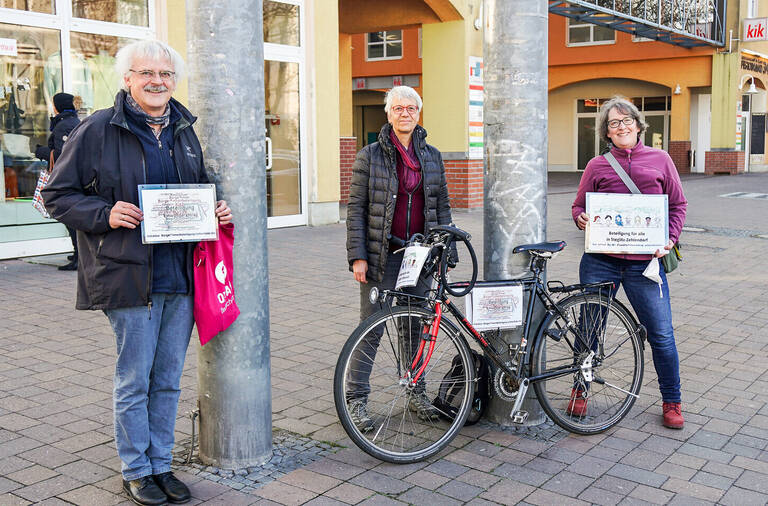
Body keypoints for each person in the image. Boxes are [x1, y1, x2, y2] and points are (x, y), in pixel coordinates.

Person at [42, 40, 232, 505]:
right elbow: (55, 195)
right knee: (134, 378)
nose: (157, 81)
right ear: (126, 78)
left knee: (167, 379)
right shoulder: (97, 130)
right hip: (128, 277)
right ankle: (136, 470)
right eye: (146, 73)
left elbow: (200, 187)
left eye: (165, 74)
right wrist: (105, 213)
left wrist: (217, 207)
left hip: (182, 276)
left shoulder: (184, 131)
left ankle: (162, 466)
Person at [572, 96, 687, 429]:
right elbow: (579, 207)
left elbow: (678, 206)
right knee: (589, 330)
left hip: (645, 264)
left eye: (626, 121)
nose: (621, 127)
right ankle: (581, 390)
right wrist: (581, 219)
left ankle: (672, 401)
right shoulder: (597, 165)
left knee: (661, 334)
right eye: (613, 123)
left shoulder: (661, 160)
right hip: (601, 261)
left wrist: (670, 238)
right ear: (607, 132)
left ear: (638, 125)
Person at [346, 85, 455, 431]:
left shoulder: (433, 156)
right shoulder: (370, 155)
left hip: (420, 255)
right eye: (398, 108)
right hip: (382, 254)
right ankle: (356, 400)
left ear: (418, 114)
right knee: (371, 328)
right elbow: (356, 211)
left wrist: (445, 252)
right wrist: (357, 257)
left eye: (411, 108)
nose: (404, 113)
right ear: (388, 114)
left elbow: (442, 206)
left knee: (414, 328)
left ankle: (415, 391)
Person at [35, 92, 80, 270]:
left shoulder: (62, 125)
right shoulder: (74, 122)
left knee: (70, 220)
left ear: (57, 106)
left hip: (66, 180)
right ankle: (78, 254)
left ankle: (79, 257)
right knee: (73, 219)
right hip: (75, 178)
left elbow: (63, 155)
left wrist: (42, 152)